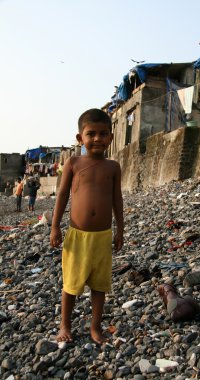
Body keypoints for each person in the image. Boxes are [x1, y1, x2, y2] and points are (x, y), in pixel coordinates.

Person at [50, 108, 124, 344]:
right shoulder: (73, 163)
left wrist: (120, 229)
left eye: (103, 134)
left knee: (99, 285)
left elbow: (117, 199)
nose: (97, 139)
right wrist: (55, 227)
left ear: (111, 138)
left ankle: (95, 327)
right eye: (91, 134)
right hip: (77, 236)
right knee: (71, 284)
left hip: (102, 236)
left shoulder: (113, 167)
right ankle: (65, 325)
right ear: (79, 138)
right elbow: (62, 196)